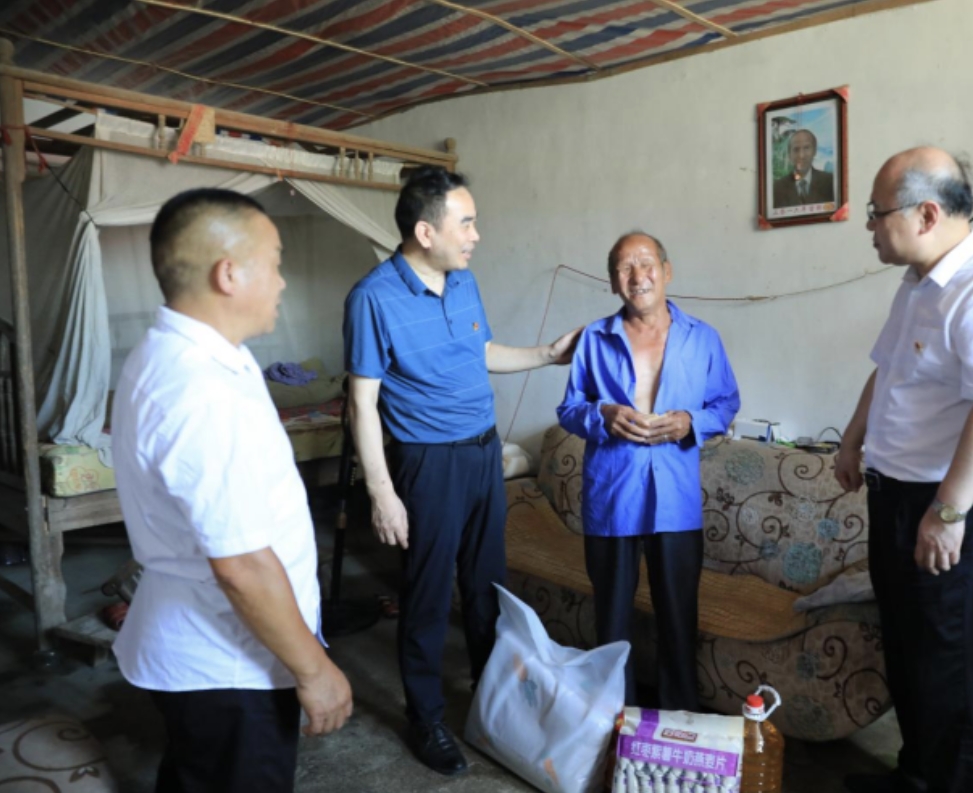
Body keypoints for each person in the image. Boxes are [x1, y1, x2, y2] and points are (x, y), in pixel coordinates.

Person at [112, 188, 353, 793]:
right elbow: (241, 564)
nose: (283, 281)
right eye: (274, 262)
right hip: (227, 664)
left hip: (220, 649)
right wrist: (315, 669)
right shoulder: (198, 390)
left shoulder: (206, 354)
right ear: (229, 274)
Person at [343, 165, 579, 776]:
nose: (476, 235)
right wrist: (382, 493)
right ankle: (426, 719)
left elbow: (481, 352)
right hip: (427, 461)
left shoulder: (463, 281)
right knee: (426, 594)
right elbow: (362, 403)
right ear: (426, 232)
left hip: (481, 451)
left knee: (486, 585)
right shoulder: (373, 298)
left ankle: (491, 698)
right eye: (466, 223)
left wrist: (547, 354)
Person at [834, 148, 973, 793]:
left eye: (877, 213)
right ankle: (917, 777)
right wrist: (852, 441)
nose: (870, 226)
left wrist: (947, 512)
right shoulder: (917, 286)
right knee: (910, 652)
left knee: (950, 668)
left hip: (955, 508)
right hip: (899, 501)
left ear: (926, 214)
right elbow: (888, 371)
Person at [557, 231, 740, 711]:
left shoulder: (702, 338)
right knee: (612, 617)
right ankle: (611, 718)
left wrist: (690, 421)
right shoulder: (594, 339)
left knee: (678, 617)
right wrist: (602, 414)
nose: (637, 275)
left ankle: (678, 719)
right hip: (612, 495)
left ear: (666, 271)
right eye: (624, 267)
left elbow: (726, 402)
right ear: (612, 281)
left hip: (675, 499)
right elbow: (569, 408)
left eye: (646, 263)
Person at [772, 129, 835, 208]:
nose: (801, 155)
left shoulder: (830, 182)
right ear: (789, 154)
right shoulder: (777, 188)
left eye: (806, 148)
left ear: (814, 150)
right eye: (796, 149)